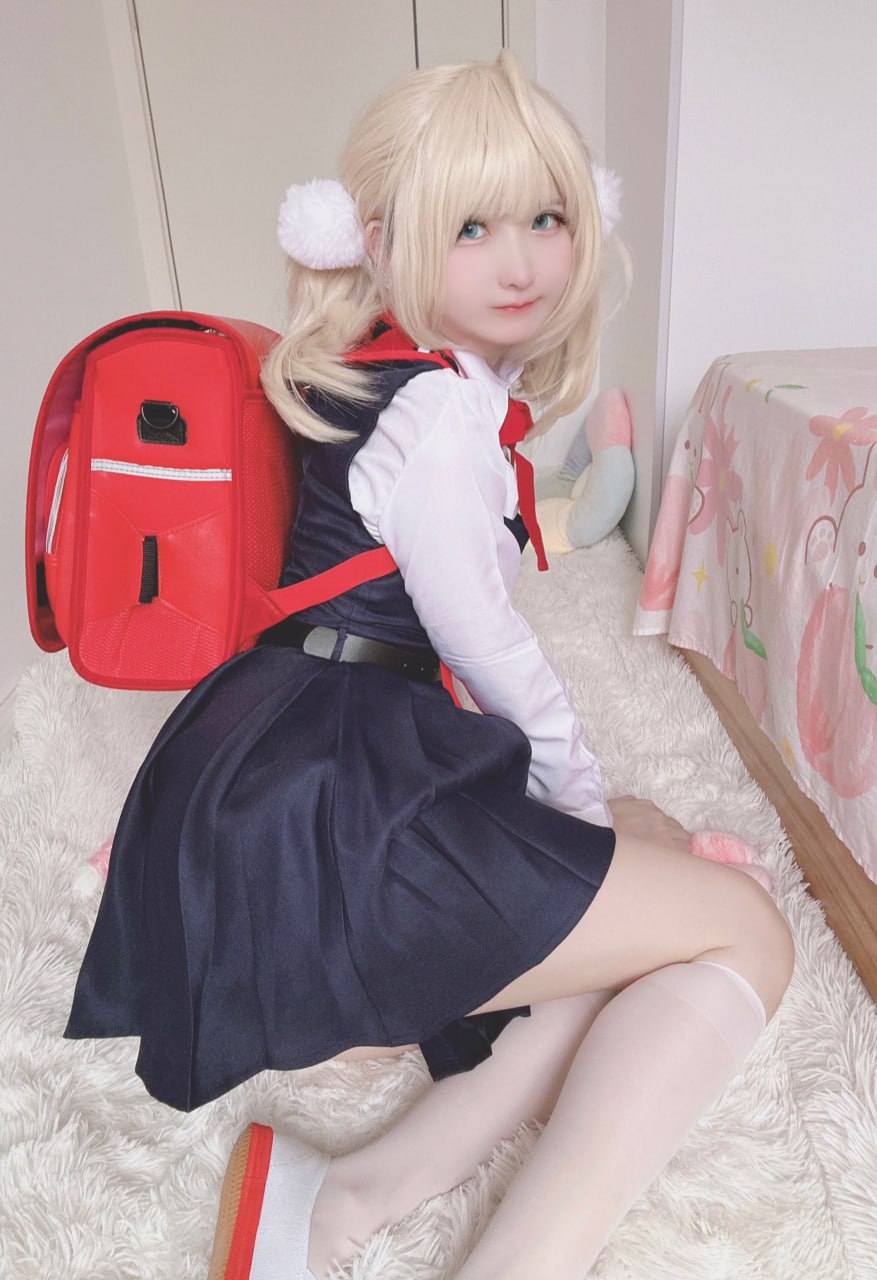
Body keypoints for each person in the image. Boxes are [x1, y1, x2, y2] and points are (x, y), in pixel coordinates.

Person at [66, 51, 794, 1280]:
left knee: (638, 859)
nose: (520, 263)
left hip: (294, 781)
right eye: (471, 227)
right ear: (387, 240)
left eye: (546, 219)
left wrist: (597, 824)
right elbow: (489, 650)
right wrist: (575, 805)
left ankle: (339, 1199)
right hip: (334, 821)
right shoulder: (442, 414)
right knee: (746, 932)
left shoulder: (390, 367)